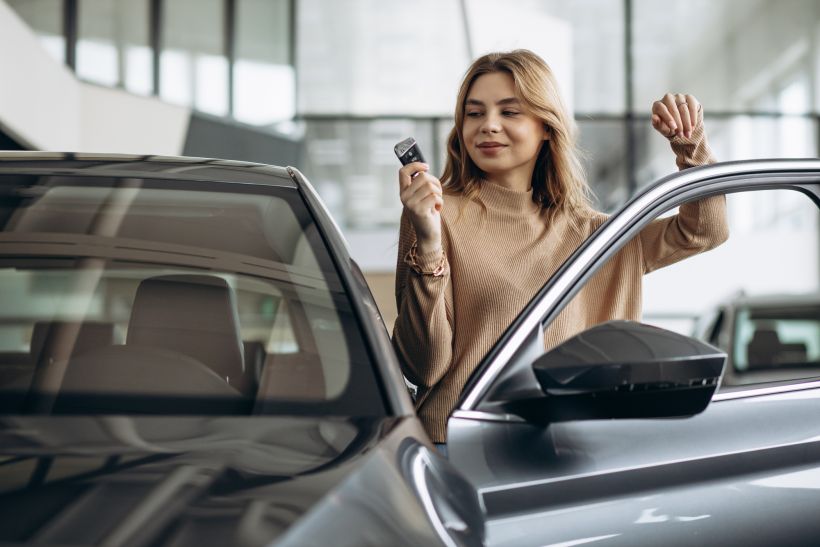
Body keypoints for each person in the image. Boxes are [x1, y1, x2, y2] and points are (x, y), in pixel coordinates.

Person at [392, 49, 728, 449]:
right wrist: (429, 243)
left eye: (509, 112)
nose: (488, 125)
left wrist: (690, 145)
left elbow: (705, 230)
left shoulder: (596, 235)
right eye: (474, 113)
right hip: (459, 445)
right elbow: (424, 367)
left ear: (547, 127)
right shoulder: (435, 214)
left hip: (569, 450)